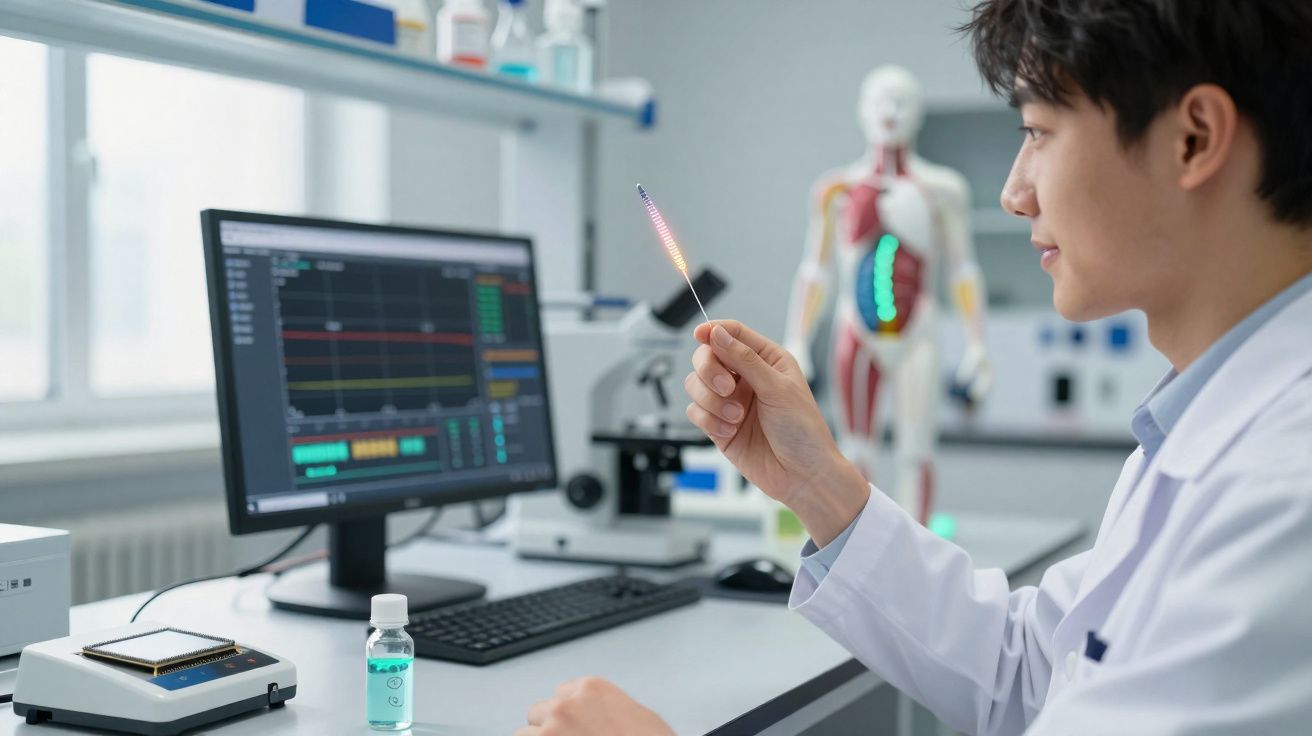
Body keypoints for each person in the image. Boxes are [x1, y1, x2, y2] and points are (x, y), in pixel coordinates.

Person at [516, 0, 1312, 733]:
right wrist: (818, 485)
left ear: (1194, 138)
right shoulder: (1203, 432)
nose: (1013, 193)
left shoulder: (1284, 499)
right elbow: (1032, 670)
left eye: (1038, 132)